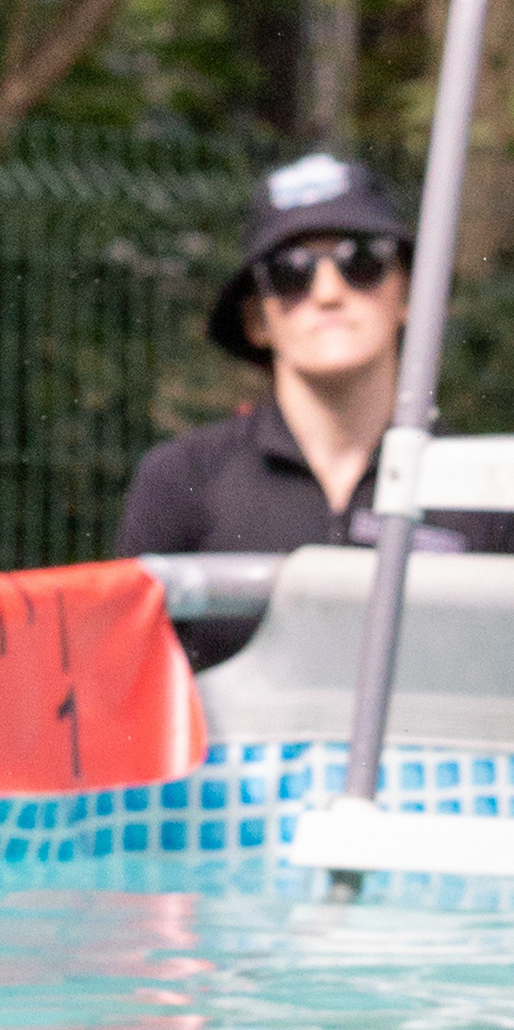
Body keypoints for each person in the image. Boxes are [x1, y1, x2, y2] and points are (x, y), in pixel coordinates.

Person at [116, 150, 514, 667]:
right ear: (257, 319)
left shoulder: (487, 487)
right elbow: (123, 685)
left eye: (363, 261)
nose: (328, 292)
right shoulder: (181, 478)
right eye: (290, 273)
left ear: (409, 294)